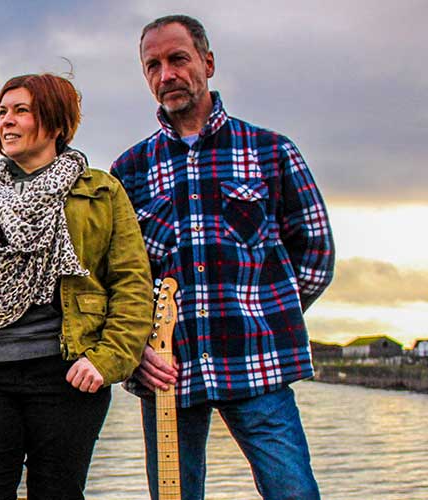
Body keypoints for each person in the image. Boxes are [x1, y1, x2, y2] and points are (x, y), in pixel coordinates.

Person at [110, 15, 336, 500]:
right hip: (166, 368)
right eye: (153, 65)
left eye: (178, 59)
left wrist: (268, 315)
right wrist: (134, 352)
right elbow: (116, 279)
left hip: (256, 362)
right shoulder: (127, 170)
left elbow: (316, 251)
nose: (166, 74)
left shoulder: (270, 151)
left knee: (293, 492)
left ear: (207, 63)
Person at [0, 73, 152, 500]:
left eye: (21, 110)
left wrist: (108, 359)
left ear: (57, 122)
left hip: (67, 375)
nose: (6, 122)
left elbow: (132, 286)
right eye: (2, 112)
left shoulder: (100, 192)